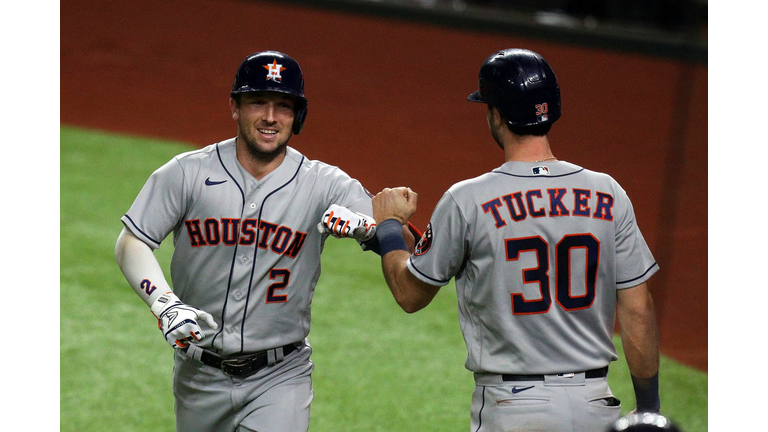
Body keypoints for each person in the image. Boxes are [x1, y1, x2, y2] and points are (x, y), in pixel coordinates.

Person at [371, 48, 662, 431]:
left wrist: (390, 228)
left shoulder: (468, 199)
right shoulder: (608, 192)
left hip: (514, 407)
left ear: (496, 114)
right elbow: (638, 310)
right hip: (597, 404)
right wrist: (648, 410)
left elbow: (410, 294)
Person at [115, 50, 393, 432]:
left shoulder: (325, 184)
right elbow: (132, 242)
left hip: (280, 376)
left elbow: (404, 244)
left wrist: (369, 229)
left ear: (298, 115)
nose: (270, 117)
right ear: (235, 106)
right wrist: (163, 303)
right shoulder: (186, 173)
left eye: (283, 105)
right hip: (198, 376)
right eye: (257, 102)